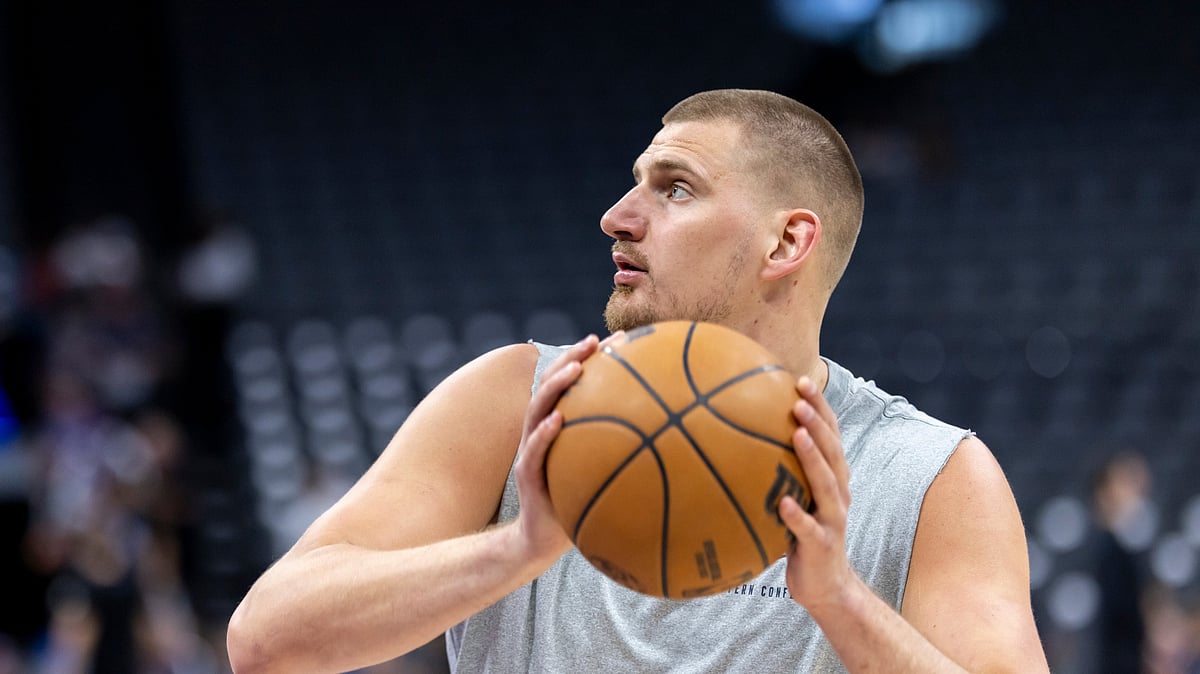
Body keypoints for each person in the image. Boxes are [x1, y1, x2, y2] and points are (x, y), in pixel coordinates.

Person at [226, 89, 1049, 672]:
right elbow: (267, 641)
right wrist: (520, 547)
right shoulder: (518, 401)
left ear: (785, 243)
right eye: (636, 184)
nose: (617, 216)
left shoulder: (929, 474)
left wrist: (839, 600)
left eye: (674, 189)